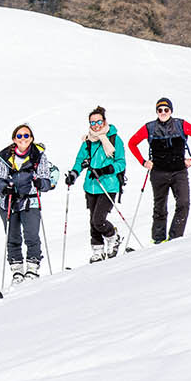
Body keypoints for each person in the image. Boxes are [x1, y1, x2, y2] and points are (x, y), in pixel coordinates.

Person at [127, 97, 191, 243]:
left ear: (171, 111)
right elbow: (132, 143)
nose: (163, 112)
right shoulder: (150, 127)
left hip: (179, 171)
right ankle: (158, 239)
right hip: (158, 173)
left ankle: (175, 237)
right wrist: (143, 162)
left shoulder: (181, 125)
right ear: (156, 112)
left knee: (183, 203)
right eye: (160, 110)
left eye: (166, 109)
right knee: (160, 207)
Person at [65, 106, 127, 263]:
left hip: (109, 185)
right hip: (91, 185)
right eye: (92, 122)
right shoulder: (88, 142)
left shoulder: (114, 139)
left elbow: (121, 162)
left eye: (99, 121)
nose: (96, 125)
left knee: (98, 220)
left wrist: (106, 169)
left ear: (104, 121)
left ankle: (113, 237)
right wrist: (74, 174)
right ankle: (97, 251)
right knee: (92, 220)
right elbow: (80, 161)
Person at [0, 124, 54, 280]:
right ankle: (17, 270)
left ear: (31, 138)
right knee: (12, 236)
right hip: (9, 202)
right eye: (19, 136)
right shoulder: (6, 157)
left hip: (30, 201)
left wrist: (41, 183)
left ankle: (32, 267)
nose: (23, 139)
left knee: (31, 234)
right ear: (14, 139)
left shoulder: (39, 155)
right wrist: (5, 188)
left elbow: (46, 179)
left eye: (26, 135)